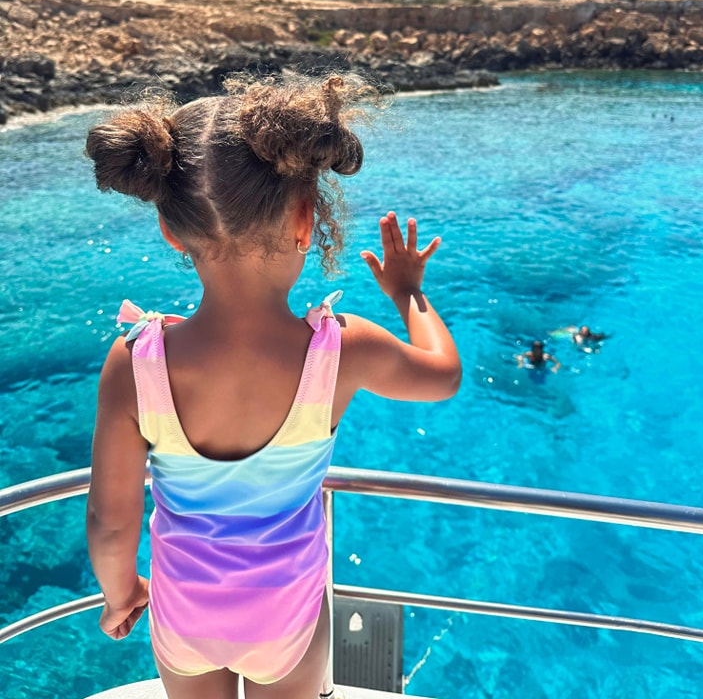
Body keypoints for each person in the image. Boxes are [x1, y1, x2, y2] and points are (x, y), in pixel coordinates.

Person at [84, 74, 461, 699]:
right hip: (286, 613)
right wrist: (409, 293)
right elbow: (442, 375)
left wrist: (122, 593)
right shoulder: (340, 349)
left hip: (184, 614)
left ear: (171, 232)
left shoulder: (135, 361)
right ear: (305, 221)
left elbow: (110, 520)